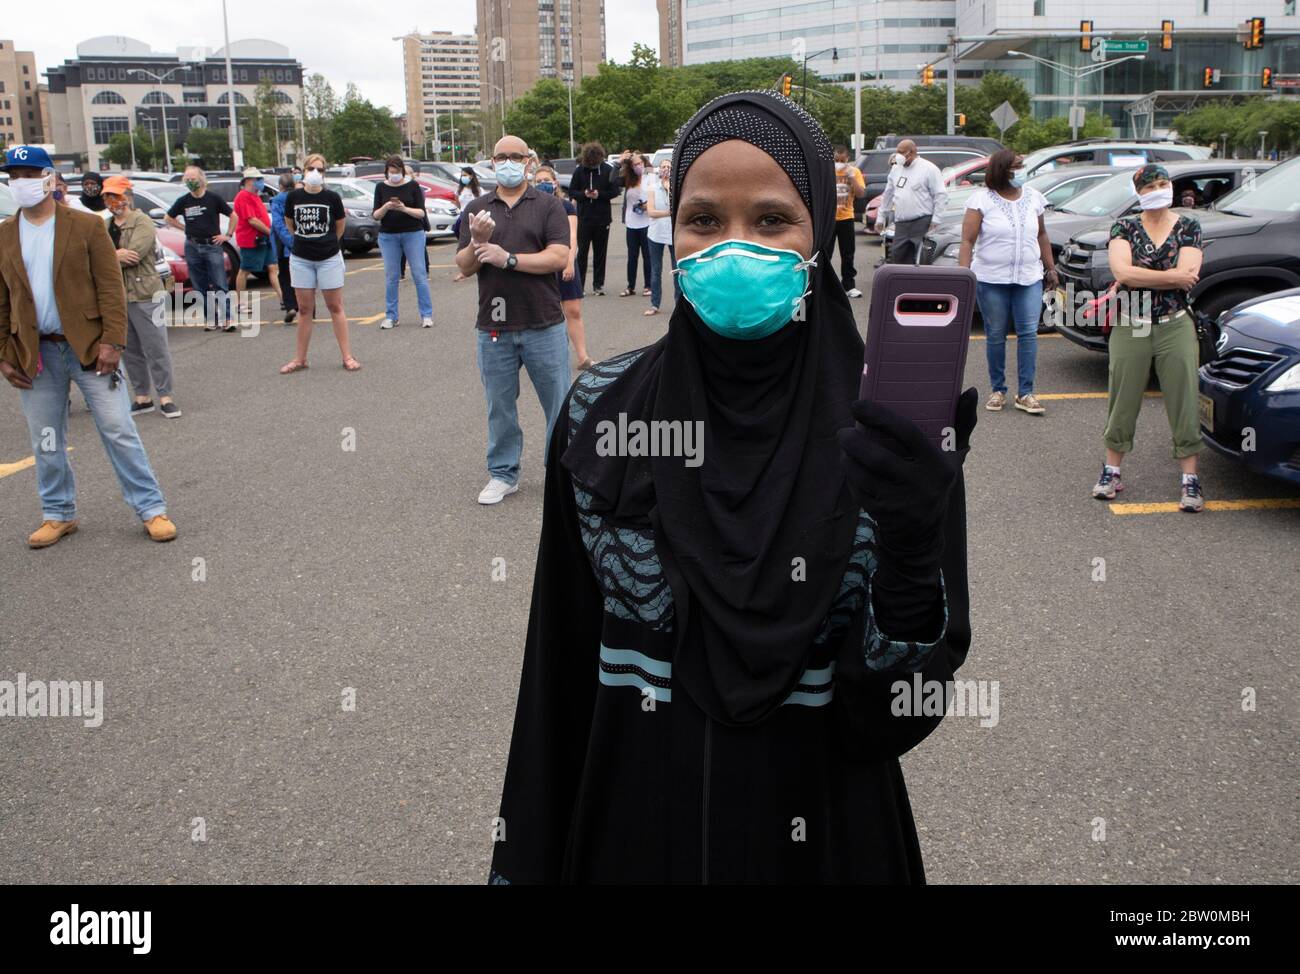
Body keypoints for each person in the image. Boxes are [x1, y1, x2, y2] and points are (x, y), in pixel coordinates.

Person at [488, 91, 975, 884]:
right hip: (633, 836)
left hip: (830, 846)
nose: (734, 247)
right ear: (670, 233)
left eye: (774, 220)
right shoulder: (601, 416)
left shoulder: (886, 436)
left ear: (820, 234)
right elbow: (558, 679)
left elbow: (895, 716)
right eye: (705, 221)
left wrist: (914, 546)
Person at [0, 146, 178, 547]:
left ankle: (151, 509)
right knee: (46, 437)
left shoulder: (85, 226)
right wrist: (3, 353)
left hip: (88, 348)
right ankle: (58, 513)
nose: (21, 182)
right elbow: (1, 297)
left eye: (29, 173)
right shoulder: (5, 234)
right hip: (36, 352)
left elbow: (111, 288)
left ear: (49, 179)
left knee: (118, 430)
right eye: (14, 175)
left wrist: (113, 341)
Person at [454, 135, 571, 505]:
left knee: (559, 403)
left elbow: (558, 257)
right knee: (499, 405)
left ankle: (562, 473)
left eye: (514, 156)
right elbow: (464, 266)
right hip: (494, 326)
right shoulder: (477, 207)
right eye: (500, 156)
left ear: (528, 161)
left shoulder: (549, 205)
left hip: (544, 323)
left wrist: (509, 258)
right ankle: (503, 473)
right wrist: (476, 241)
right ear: (491, 162)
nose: (507, 162)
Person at [1094, 164, 1206, 512]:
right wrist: (1171, 277)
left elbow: (1189, 274)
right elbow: (1121, 271)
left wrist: (1143, 277)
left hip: (1175, 323)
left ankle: (1190, 478)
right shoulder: (1124, 226)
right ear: (1139, 192)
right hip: (1132, 322)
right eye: (1151, 185)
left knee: (1183, 396)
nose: (1160, 188)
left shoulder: (1189, 225)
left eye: (1163, 183)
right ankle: (1112, 471)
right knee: (1122, 397)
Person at [957, 148, 1057, 416]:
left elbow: (1043, 235)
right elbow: (967, 241)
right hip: (991, 280)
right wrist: (962, 277)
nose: (1021, 171)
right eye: (1017, 166)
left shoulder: (1034, 197)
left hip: (1029, 278)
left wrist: (1051, 269)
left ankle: (1026, 393)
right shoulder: (982, 199)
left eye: (1022, 166)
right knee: (996, 335)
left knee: (1028, 334)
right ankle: (998, 389)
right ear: (1002, 169)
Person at [102, 176, 180, 419]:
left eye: (115, 195)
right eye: (107, 196)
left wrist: (110, 256)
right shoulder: (105, 225)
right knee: (130, 348)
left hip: (146, 292)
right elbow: (96, 257)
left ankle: (165, 395)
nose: (111, 200)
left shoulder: (142, 221)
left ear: (127, 196)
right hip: (119, 295)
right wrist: (114, 255)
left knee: (155, 345)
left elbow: (134, 255)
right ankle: (142, 396)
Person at [280, 154, 360, 373]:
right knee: (305, 309)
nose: (316, 173)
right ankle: (300, 359)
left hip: (328, 258)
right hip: (301, 258)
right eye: (311, 168)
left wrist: (327, 244)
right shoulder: (294, 197)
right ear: (303, 171)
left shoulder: (332, 197)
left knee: (335, 306)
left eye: (321, 169)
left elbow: (339, 227)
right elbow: (290, 225)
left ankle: (347, 356)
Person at [534, 165, 592, 370]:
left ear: (555, 183)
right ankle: (547, 358)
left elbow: (572, 236)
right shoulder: (531, 208)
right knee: (546, 314)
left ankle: (583, 356)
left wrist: (568, 262)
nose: (543, 184)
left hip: (564, 261)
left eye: (546, 181)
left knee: (573, 310)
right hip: (540, 265)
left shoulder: (565, 206)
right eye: (538, 181)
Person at [165, 165, 235, 332]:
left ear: (201, 180)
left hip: (212, 245)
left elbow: (233, 215)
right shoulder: (183, 201)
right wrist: (185, 229)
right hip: (192, 246)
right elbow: (168, 217)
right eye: (187, 179)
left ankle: (227, 318)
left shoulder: (213, 198)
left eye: (193, 179)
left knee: (219, 283)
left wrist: (228, 235)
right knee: (200, 285)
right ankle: (211, 319)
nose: (190, 182)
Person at [373, 154, 433, 329]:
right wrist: (386, 206)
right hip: (388, 236)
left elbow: (421, 213)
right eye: (391, 172)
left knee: (419, 274)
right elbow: (375, 215)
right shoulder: (380, 188)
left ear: (402, 171)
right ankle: (391, 316)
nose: (394, 175)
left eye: (397, 171)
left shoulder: (413, 186)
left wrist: (404, 208)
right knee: (392, 276)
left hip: (412, 233)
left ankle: (426, 315)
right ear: (386, 172)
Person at [875, 139, 945, 265]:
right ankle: (901, 284)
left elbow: (940, 195)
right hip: (901, 223)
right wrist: (881, 217)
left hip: (922, 222)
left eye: (901, 152)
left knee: (920, 259)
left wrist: (936, 220)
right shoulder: (896, 169)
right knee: (898, 258)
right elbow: (888, 195)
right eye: (897, 152)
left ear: (912, 152)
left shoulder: (928, 169)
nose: (898, 155)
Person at [568, 141, 622, 296]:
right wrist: (584, 194)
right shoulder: (580, 171)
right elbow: (572, 191)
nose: (592, 166)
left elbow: (615, 191)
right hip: (584, 218)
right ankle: (580, 285)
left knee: (600, 253)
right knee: (582, 253)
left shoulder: (607, 170)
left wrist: (600, 195)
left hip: (602, 218)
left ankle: (598, 284)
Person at [232, 167, 279, 321]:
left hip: (264, 239)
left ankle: (284, 299)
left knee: (273, 267)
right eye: (258, 179)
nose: (261, 182)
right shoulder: (243, 197)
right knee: (245, 270)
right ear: (249, 181)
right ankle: (240, 303)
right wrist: (269, 232)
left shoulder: (255, 196)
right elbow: (252, 220)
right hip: (251, 240)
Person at [828, 145, 866, 297]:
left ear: (847, 159)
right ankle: (824, 285)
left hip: (846, 217)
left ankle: (849, 285)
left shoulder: (854, 172)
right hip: (828, 218)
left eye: (842, 160)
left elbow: (861, 193)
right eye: (836, 160)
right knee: (825, 253)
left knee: (848, 253)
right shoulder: (827, 171)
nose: (839, 163)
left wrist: (852, 178)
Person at [644, 156, 677, 316]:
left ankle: (680, 304)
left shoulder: (676, 187)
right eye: (663, 167)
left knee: (677, 269)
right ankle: (655, 304)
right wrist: (667, 213)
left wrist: (668, 188)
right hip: (656, 234)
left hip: (672, 233)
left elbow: (678, 209)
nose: (666, 170)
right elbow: (651, 211)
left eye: (669, 167)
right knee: (656, 270)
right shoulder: (652, 187)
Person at [269, 171, 300, 324]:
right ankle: (309, 309)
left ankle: (290, 307)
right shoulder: (300, 196)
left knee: (285, 277)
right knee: (304, 277)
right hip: (302, 242)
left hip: (284, 246)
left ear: (280, 186)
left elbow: (278, 224)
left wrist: (289, 241)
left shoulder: (276, 200)